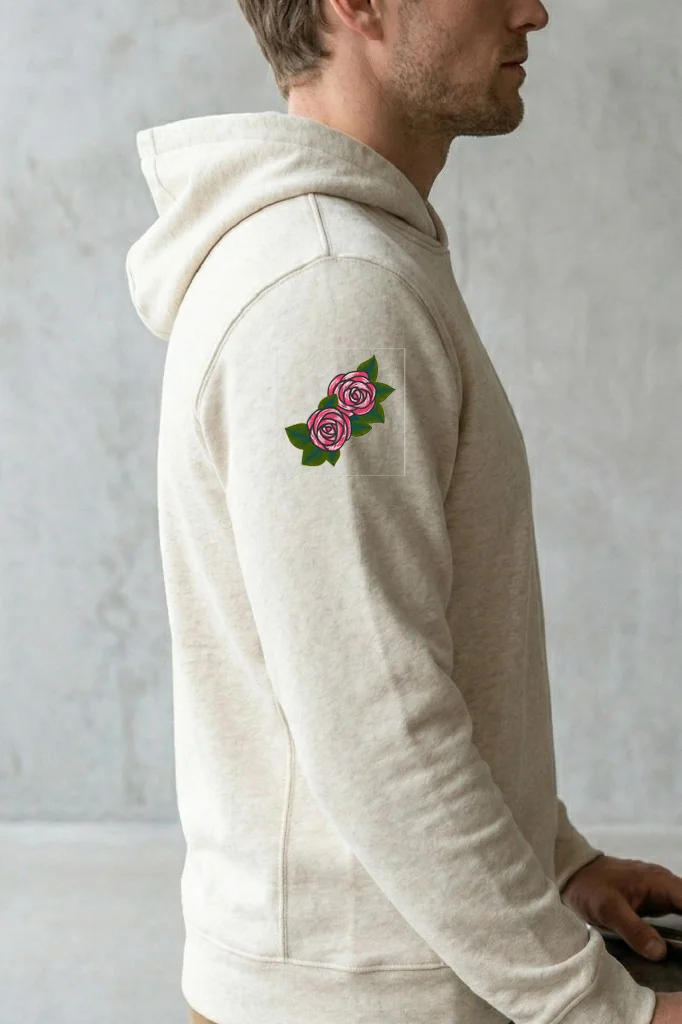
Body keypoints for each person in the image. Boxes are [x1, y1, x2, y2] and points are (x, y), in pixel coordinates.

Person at [125, 1, 682, 1022]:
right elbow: (375, 723)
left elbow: (394, 656)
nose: (533, 10)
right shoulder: (330, 294)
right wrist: (601, 1008)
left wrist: (554, 860)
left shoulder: (351, 260)